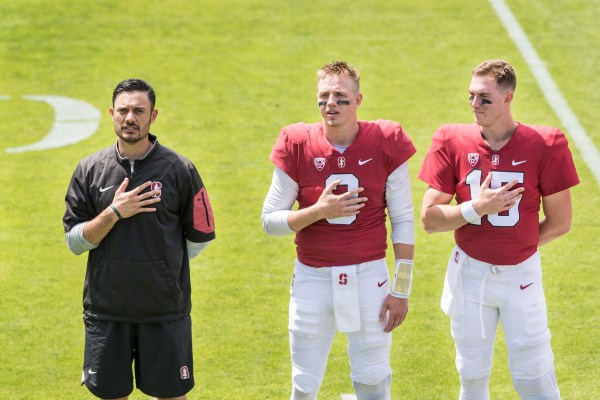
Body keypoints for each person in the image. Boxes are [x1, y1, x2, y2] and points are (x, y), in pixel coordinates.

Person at [419, 60, 579, 399]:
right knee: (471, 374)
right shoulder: (452, 139)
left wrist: (516, 245)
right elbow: (429, 219)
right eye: (471, 96)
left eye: (485, 99)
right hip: (469, 275)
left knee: (534, 375)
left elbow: (561, 222)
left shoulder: (545, 143)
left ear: (508, 99)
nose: (475, 105)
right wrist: (478, 208)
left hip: (521, 275)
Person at [261, 61, 417, 400]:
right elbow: (270, 221)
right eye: (324, 96)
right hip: (312, 278)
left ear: (359, 100)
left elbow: (403, 219)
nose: (331, 104)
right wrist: (319, 211)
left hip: (369, 277)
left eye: (341, 97)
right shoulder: (297, 141)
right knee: (303, 385)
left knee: (374, 380)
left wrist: (401, 289)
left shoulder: (387, 139)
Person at [63, 78, 215, 400]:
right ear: (111, 114)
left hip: (163, 311)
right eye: (123, 111)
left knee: (172, 395)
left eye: (138, 110)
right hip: (107, 311)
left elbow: (201, 237)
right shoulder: (90, 170)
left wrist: (162, 265)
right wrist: (114, 212)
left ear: (153, 116)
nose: (130, 117)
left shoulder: (180, 169)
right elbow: (75, 241)